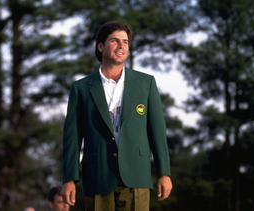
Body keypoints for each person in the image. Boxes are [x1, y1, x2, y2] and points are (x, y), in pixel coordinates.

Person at [61, 21, 172, 211]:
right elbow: (72, 137)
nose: (121, 45)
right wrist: (69, 178)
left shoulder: (146, 83)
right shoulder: (80, 88)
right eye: (115, 40)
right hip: (98, 176)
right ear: (100, 46)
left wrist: (164, 173)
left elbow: (157, 132)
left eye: (126, 42)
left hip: (137, 175)